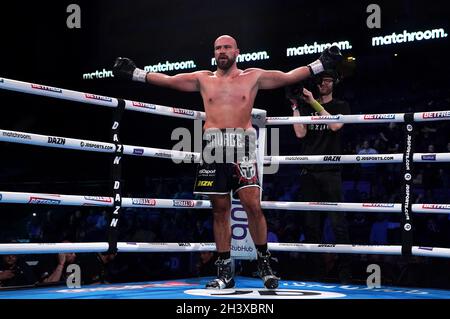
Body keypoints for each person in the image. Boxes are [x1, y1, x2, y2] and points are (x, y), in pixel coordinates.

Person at [113, 35, 343, 289]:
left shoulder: (252, 76)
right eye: (218, 48)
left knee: (252, 205)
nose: (222, 52)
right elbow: (168, 81)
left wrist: (321, 63)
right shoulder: (203, 78)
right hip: (213, 146)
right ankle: (224, 271)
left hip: (242, 144)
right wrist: (135, 73)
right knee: (219, 210)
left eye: (226, 47)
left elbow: (288, 77)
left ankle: (264, 264)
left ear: (237, 52)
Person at [288, 70, 352, 283]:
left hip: (331, 171)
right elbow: (300, 133)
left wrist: (313, 102)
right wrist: (296, 106)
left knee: (338, 224)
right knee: (311, 226)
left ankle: (345, 273)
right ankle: (315, 274)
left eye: (328, 81)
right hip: (309, 171)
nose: (324, 84)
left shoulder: (341, 106)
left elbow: (335, 125)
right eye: (321, 81)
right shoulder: (306, 106)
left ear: (334, 83)